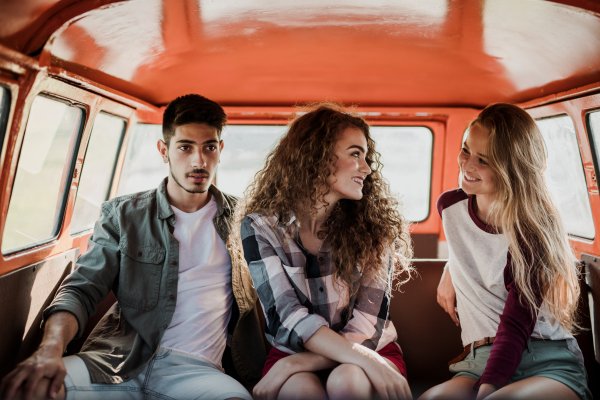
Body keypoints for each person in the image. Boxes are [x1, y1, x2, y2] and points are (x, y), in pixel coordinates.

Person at [0, 94, 265, 400]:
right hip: (115, 361)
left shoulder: (245, 220)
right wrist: (48, 350)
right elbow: (81, 289)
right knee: (32, 389)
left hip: (198, 372)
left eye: (209, 147)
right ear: (163, 151)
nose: (199, 161)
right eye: (185, 147)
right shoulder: (123, 215)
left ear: (220, 149)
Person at [231, 104, 414, 400]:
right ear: (316, 157)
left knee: (347, 381)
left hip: (367, 348)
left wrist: (299, 362)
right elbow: (286, 316)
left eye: (366, 156)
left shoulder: (376, 229)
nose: (367, 168)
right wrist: (295, 361)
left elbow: (368, 325)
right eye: (355, 154)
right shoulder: (260, 227)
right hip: (294, 350)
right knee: (300, 390)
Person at [420, 103, 591, 400]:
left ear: (512, 168)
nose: (467, 165)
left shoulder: (533, 231)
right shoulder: (450, 208)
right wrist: (452, 267)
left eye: (483, 160)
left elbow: (516, 322)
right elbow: (477, 248)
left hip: (545, 359)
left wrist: (487, 392)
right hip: (479, 358)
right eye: (466, 150)